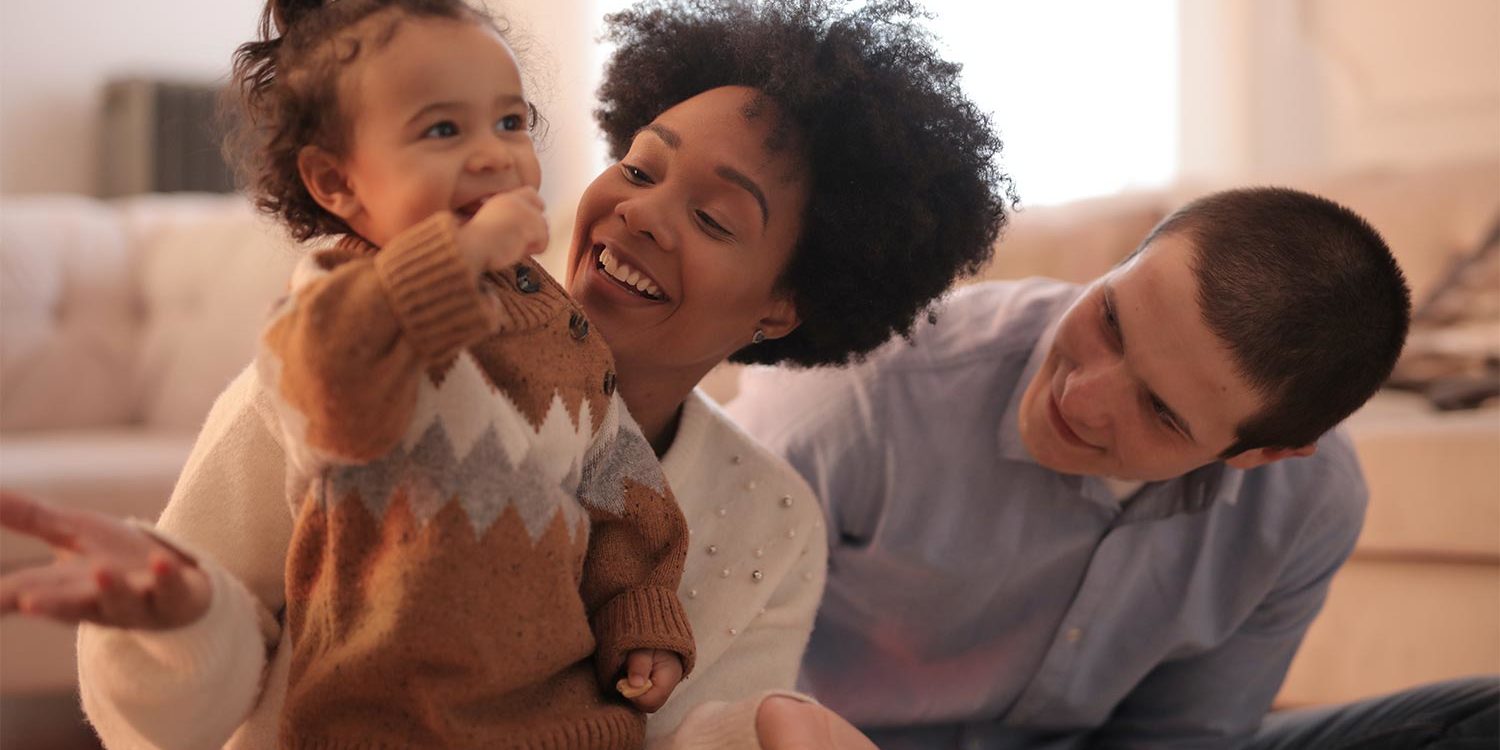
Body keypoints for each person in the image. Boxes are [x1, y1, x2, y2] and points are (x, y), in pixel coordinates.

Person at [0, 0, 1013, 748]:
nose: (640, 212)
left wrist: (764, 732)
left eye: (712, 218)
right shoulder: (350, 360)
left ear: (784, 302)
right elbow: (162, 726)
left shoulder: (772, 521)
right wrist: (182, 624)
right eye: (640, 166)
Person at [726, 186, 1496, 748]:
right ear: (1121, 261)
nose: (1082, 397)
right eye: (1111, 319)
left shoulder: (1308, 503)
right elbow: (695, 681)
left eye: (1161, 411)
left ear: (1262, 454)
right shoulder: (857, 396)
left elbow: (1183, 738)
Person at [239, 0, 698, 745]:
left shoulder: (559, 327)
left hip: (565, 724)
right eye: (443, 131)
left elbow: (620, 483)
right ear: (335, 181)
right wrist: (460, 255)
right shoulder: (335, 303)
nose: (494, 155)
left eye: (510, 122)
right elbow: (330, 390)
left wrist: (639, 618)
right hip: (381, 728)